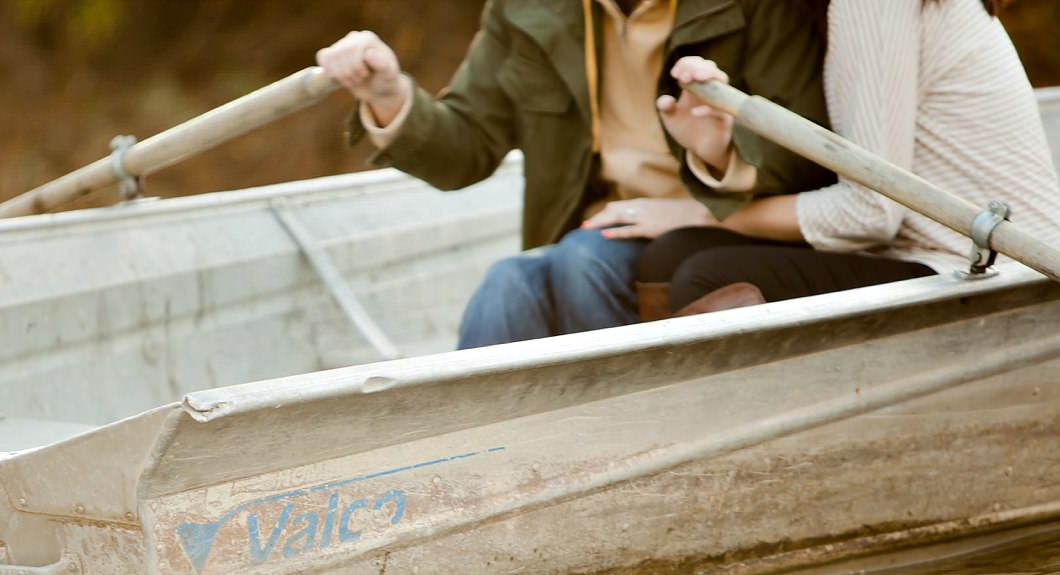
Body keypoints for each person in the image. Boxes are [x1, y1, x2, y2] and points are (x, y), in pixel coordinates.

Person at [315, 1, 835, 348]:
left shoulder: (762, 6)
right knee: (506, 284)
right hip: (597, 230)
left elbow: (807, 155)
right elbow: (466, 150)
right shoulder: (526, 10)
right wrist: (388, 95)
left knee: (584, 257)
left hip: (737, 227)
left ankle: (626, 440)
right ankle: (469, 463)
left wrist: (721, 153)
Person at [627, 0, 1060, 316]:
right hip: (916, 250)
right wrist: (718, 151)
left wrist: (703, 214)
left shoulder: (871, 6)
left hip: (996, 270)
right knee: (670, 255)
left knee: (707, 274)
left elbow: (869, 211)